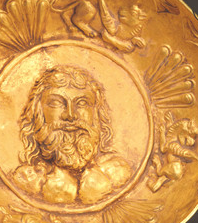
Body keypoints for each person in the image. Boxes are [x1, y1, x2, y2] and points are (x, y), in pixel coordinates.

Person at [12, 65, 132, 205]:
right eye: (56, 103)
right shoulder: (26, 179)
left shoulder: (116, 172)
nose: (70, 115)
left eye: (82, 103)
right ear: (37, 113)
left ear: (97, 115)